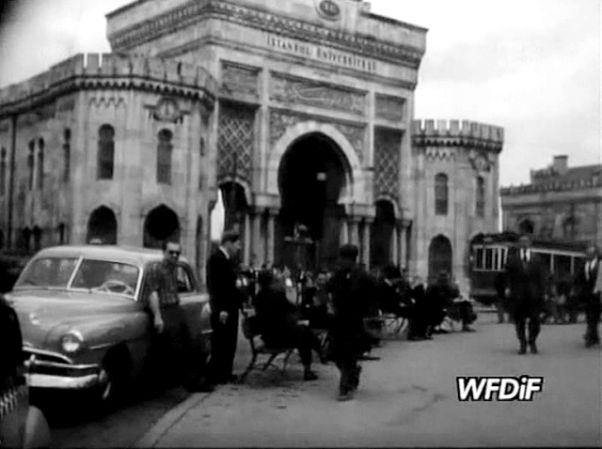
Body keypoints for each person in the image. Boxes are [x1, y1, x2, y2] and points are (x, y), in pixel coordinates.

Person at [146, 241, 213, 392]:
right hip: (164, 309)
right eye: (171, 252)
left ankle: (193, 380)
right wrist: (157, 316)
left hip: (175, 308)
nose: (174, 256)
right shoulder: (156, 269)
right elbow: (153, 293)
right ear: (164, 252)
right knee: (178, 349)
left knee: (191, 344)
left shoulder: (174, 269)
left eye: (177, 253)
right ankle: (189, 382)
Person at [328, 244, 376, 401]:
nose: (340, 261)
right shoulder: (338, 275)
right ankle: (353, 374)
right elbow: (328, 289)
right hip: (338, 320)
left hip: (354, 321)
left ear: (351, 259)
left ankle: (345, 388)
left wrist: (368, 316)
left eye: (343, 258)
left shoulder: (364, 277)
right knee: (334, 354)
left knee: (349, 354)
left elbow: (372, 298)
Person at [253, 270, 321, 380]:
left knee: (303, 331)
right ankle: (309, 368)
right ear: (271, 281)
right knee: (304, 333)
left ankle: (318, 352)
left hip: (267, 335)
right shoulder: (277, 294)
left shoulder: (258, 297)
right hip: (280, 337)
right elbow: (291, 309)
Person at [206, 230, 243, 384]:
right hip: (223, 309)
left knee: (229, 342)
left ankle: (225, 372)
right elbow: (216, 287)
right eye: (237, 244)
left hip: (230, 307)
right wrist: (221, 309)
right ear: (228, 243)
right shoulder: (217, 259)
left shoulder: (227, 260)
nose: (239, 248)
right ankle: (218, 374)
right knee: (221, 342)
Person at [504, 235, 547, 354]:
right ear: (518, 244)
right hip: (518, 295)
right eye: (521, 242)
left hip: (534, 295)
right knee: (519, 321)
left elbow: (542, 276)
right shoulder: (512, 259)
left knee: (535, 321)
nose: (524, 244)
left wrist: (544, 291)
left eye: (526, 242)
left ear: (530, 244)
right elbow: (508, 275)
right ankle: (522, 343)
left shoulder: (537, 258)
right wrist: (508, 288)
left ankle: (532, 341)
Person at [575, 244, 600, 347]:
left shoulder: (600, 265)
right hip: (587, 295)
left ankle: (592, 336)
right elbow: (579, 278)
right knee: (590, 316)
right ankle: (592, 336)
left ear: (595, 255)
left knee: (595, 316)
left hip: (598, 295)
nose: (588, 255)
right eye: (587, 253)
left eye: (590, 253)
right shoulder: (583, 264)